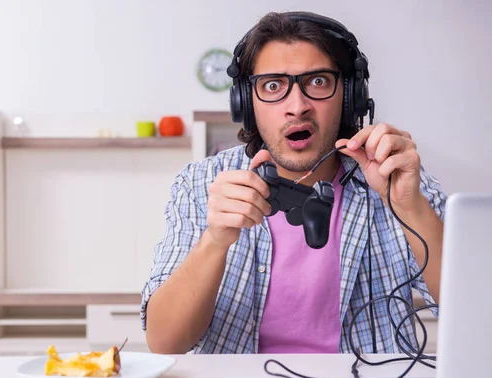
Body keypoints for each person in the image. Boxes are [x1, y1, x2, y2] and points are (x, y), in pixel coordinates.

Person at [140, 11, 445, 355]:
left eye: (317, 82)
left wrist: (409, 207)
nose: (297, 107)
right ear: (246, 102)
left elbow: (476, 317)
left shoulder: (400, 181)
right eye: (273, 86)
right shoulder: (201, 184)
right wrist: (215, 240)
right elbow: (164, 343)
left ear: (350, 97)